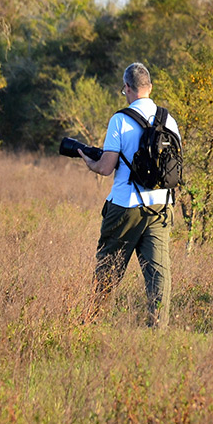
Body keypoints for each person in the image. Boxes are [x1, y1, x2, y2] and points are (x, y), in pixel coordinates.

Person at [78, 62, 180, 328]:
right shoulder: (169, 119)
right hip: (161, 205)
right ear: (150, 87)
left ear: (126, 88)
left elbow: (106, 167)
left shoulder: (120, 119)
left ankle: (90, 324)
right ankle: (157, 330)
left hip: (126, 207)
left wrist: (89, 162)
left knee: (108, 270)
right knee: (158, 274)